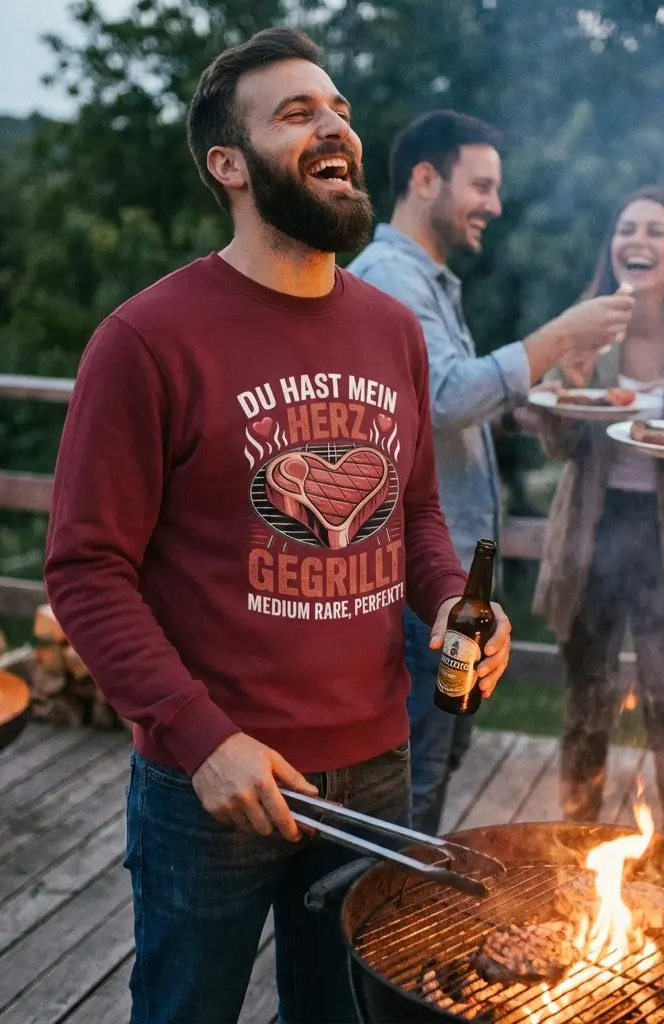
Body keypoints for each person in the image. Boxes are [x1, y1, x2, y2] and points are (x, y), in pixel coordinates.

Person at [43, 28, 513, 1024]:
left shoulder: (391, 329)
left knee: (346, 1012)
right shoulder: (145, 340)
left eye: (339, 109)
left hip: (376, 763)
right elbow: (85, 569)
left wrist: (447, 602)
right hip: (214, 779)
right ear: (229, 164)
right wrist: (199, 737)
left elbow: (415, 511)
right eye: (298, 114)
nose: (335, 126)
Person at [348, 109, 633, 834]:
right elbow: (446, 396)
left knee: (437, 762)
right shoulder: (390, 277)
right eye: (481, 186)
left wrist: (524, 410)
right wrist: (559, 335)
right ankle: (388, 903)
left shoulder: (427, 281)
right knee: (412, 781)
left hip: (451, 581)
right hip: (417, 585)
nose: (495, 206)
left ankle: (401, 890)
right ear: (425, 180)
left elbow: (433, 408)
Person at [529, 187, 664, 836]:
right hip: (591, 535)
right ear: (612, 247)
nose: (637, 241)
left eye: (655, 230)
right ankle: (573, 853)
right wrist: (569, 381)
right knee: (586, 710)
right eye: (626, 229)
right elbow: (559, 444)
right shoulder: (585, 329)